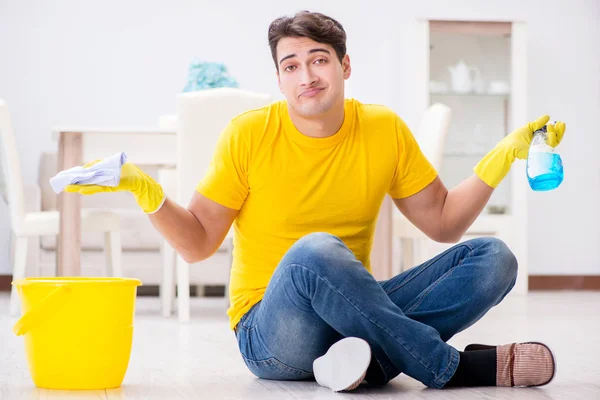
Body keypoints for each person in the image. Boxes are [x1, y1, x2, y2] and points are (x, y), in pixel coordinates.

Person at [67, 10, 566, 392]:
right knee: (314, 251)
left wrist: (504, 156)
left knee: (493, 258)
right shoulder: (249, 134)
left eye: (319, 59)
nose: (306, 75)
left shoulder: (383, 129)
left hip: (355, 319)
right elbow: (198, 244)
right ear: (280, 79)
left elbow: (443, 223)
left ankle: (363, 366)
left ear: (344, 65)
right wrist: (145, 190)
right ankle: (447, 367)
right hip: (271, 332)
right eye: (291, 65)